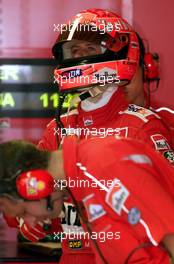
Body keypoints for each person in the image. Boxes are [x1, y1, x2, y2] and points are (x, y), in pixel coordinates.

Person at [3, 8, 174, 264]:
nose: (79, 57)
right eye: (73, 51)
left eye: (89, 50)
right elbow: (26, 207)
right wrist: (38, 219)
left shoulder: (143, 125)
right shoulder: (58, 128)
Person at [1, 136, 174, 264]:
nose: (30, 223)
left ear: (34, 183)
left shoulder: (103, 166)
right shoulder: (81, 185)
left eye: (23, 213)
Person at [123, 33, 174, 152]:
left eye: (127, 69)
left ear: (146, 69)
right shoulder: (87, 124)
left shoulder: (169, 121)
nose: (119, 81)